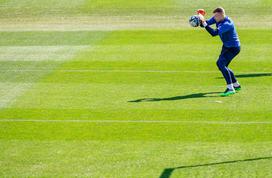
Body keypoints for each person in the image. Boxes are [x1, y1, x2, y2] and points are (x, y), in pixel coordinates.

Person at [198, 7, 241, 97]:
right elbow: (205, 24)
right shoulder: (216, 18)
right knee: (222, 65)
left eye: (216, 16)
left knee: (220, 64)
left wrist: (204, 23)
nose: (214, 18)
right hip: (226, 46)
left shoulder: (227, 24)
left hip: (233, 48)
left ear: (221, 15)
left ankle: (230, 88)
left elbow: (214, 33)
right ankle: (236, 85)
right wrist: (200, 18)